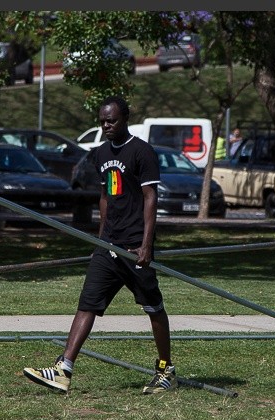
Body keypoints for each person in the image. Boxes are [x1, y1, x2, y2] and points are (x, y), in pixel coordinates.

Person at [23, 95, 177, 395]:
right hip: (108, 245)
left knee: (153, 307)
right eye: (102, 120)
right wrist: (100, 236)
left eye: (112, 120)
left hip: (134, 247)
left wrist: (146, 245)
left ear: (125, 119)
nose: (106, 125)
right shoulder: (101, 153)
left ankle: (165, 369)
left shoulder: (142, 152)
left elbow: (150, 199)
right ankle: (64, 369)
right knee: (88, 303)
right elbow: (107, 193)